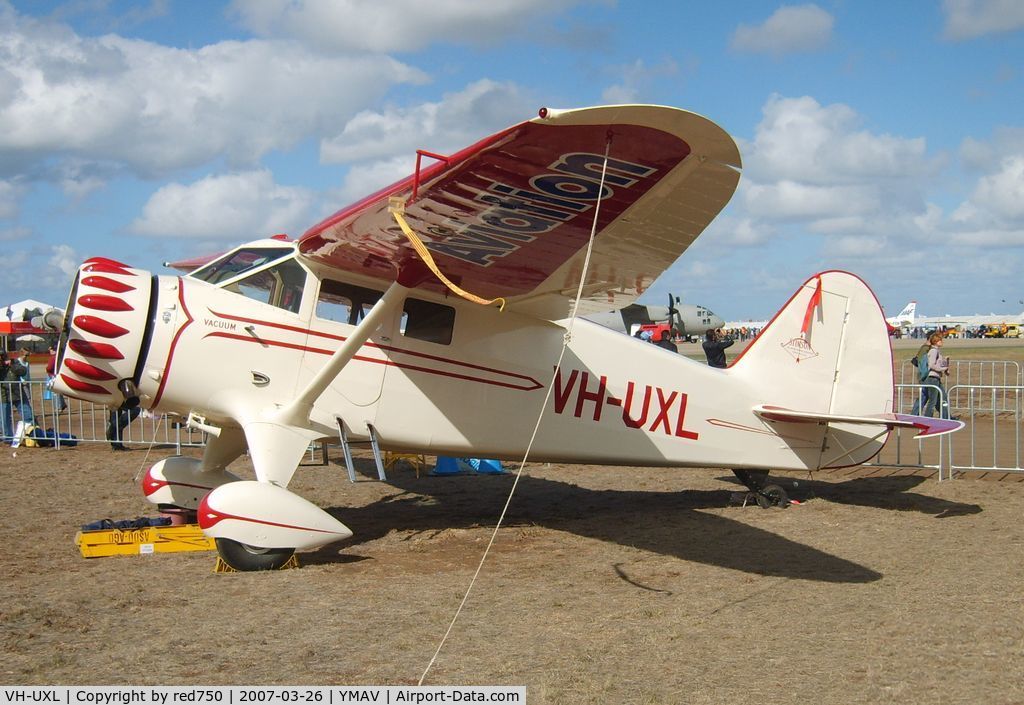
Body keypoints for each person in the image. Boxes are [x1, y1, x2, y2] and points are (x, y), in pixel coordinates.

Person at [1, 351, 28, 444]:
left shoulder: (14, 362)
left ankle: (33, 434)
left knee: (28, 415)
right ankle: (8, 438)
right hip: (3, 396)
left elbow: (23, 371)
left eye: (2, 355)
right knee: (5, 419)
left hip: (18, 394)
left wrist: (12, 365)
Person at [921, 333, 951, 419]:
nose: (942, 342)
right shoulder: (933, 351)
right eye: (940, 340)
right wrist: (943, 369)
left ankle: (946, 417)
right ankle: (927, 418)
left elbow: (940, 365)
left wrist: (945, 363)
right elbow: (931, 365)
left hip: (936, 378)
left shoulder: (937, 352)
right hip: (932, 378)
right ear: (936, 341)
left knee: (943, 397)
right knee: (933, 400)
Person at [909, 336, 934, 415]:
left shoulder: (925, 348)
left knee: (926, 396)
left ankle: (946, 415)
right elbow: (923, 364)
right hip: (925, 376)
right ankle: (915, 415)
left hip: (924, 375)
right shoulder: (926, 349)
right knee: (926, 396)